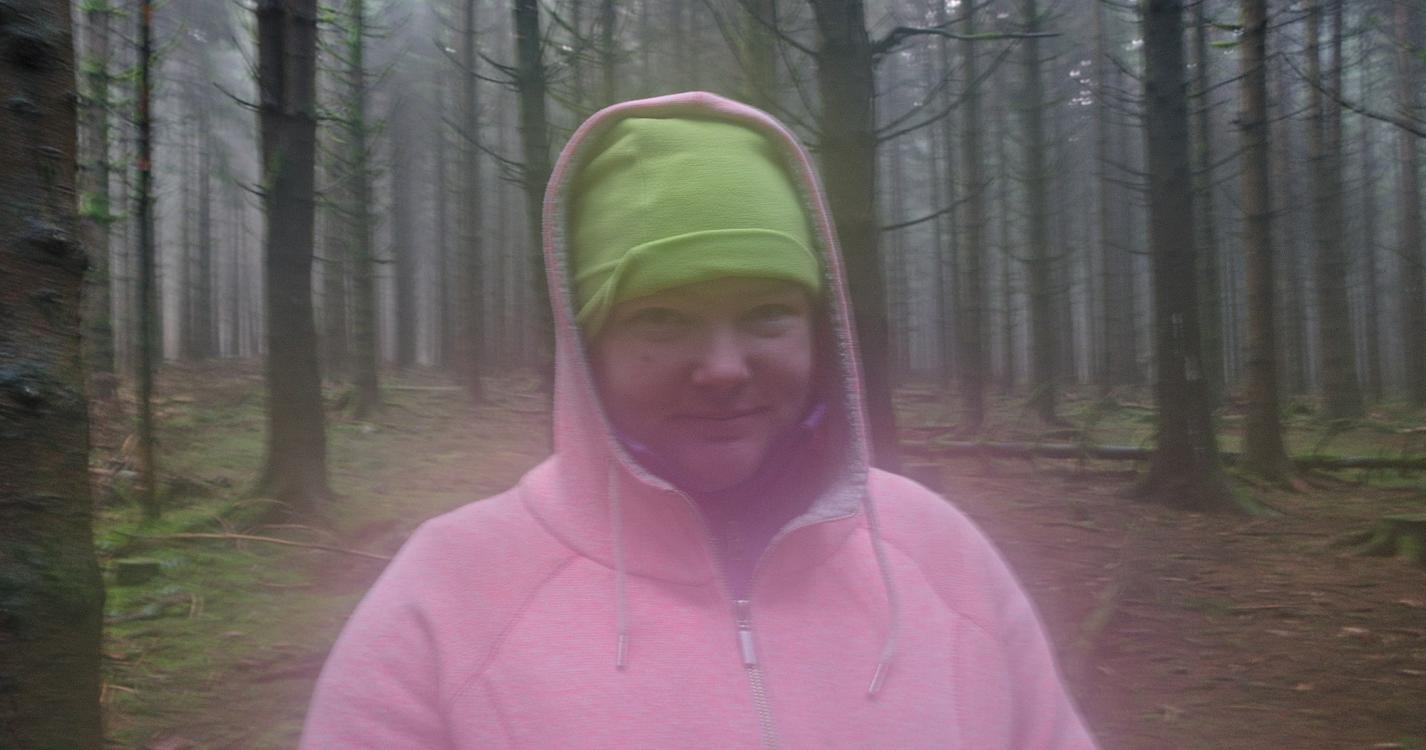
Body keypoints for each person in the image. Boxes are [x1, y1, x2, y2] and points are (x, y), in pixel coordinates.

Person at [300, 91, 1097, 749]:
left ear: (820, 331)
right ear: (586, 345)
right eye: (663, 318)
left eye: (767, 312)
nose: (723, 368)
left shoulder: (941, 559)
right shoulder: (450, 598)